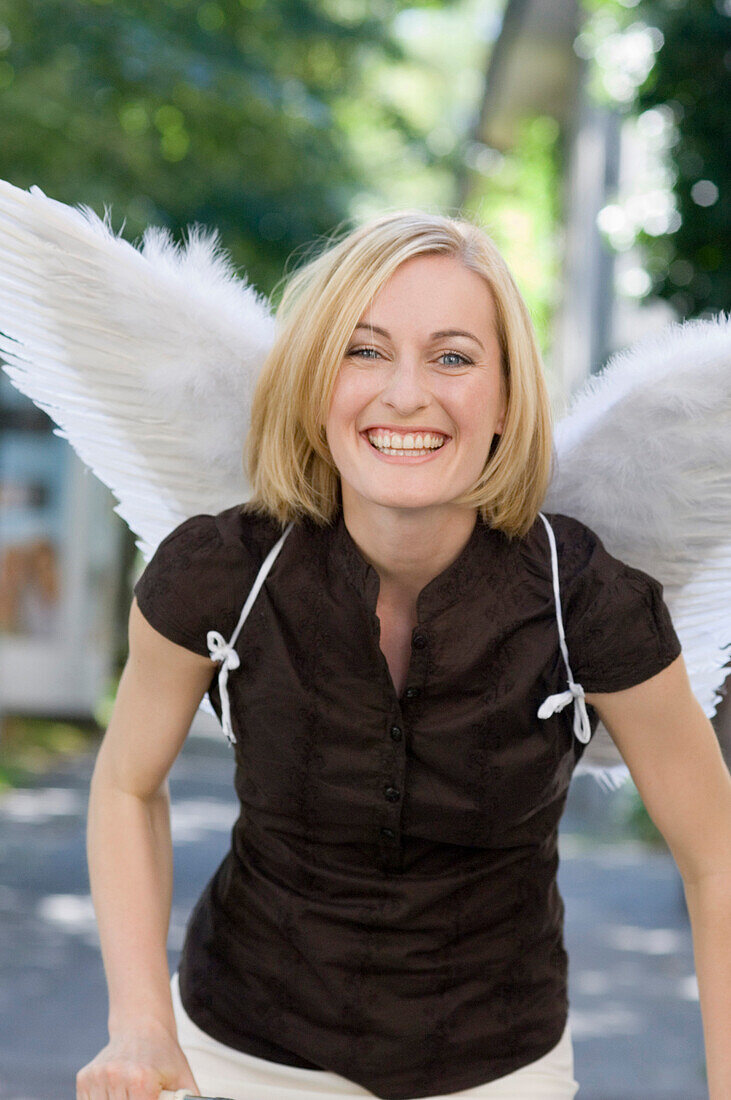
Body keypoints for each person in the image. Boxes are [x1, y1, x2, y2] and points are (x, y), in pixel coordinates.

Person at [76, 212, 731, 1100]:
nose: (406, 394)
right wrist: (142, 1022)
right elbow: (124, 785)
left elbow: (714, 855)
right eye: (364, 351)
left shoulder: (590, 601)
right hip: (235, 1052)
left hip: (497, 1067)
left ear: (505, 399)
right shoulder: (218, 572)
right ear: (314, 384)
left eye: (454, 357)